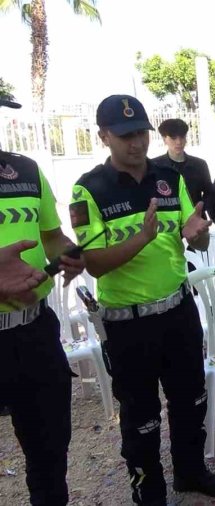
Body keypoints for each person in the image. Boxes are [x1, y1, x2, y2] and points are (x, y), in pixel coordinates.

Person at [71, 95, 215, 505]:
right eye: (125, 136)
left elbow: (189, 232)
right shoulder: (89, 189)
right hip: (129, 323)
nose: (136, 143)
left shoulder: (166, 176)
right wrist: (142, 237)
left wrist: (199, 235)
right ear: (103, 135)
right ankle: (149, 491)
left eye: (141, 133)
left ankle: (191, 472)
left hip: (177, 310)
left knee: (190, 400)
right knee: (141, 417)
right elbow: (93, 263)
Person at [0, 96, 85, 506]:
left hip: (34, 331)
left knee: (49, 447)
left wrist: (69, 252)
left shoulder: (26, 171)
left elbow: (51, 236)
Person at [152, 118, 213, 211]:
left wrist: (199, 210)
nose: (179, 142)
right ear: (164, 139)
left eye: (182, 137)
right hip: (168, 222)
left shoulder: (200, 165)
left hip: (196, 220)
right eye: (173, 138)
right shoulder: (155, 165)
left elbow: (210, 193)